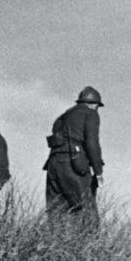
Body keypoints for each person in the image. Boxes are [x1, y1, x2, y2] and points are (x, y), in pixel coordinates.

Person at [44, 86, 104, 224]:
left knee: (56, 212)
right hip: (74, 164)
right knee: (87, 211)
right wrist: (98, 171)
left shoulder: (62, 117)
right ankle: (91, 244)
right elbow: (92, 144)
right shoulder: (90, 114)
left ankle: (54, 244)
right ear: (94, 104)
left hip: (53, 164)